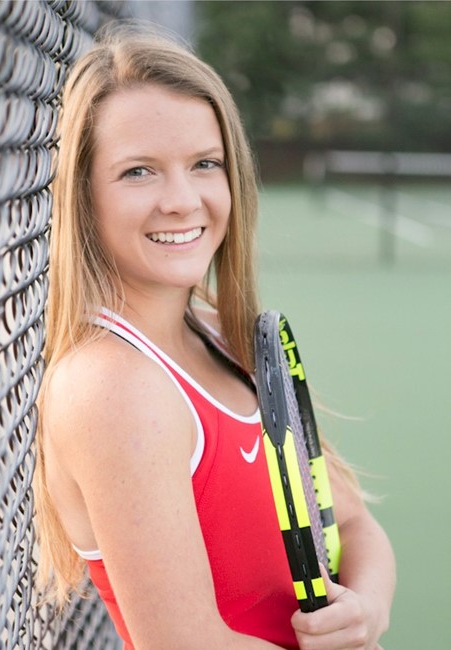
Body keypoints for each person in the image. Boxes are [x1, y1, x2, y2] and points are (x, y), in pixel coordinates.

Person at [34, 22, 395, 650]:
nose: (182, 200)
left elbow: (355, 525)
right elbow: (184, 642)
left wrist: (365, 607)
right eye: (139, 171)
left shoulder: (220, 336)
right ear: (83, 197)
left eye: (205, 164)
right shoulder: (112, 387)